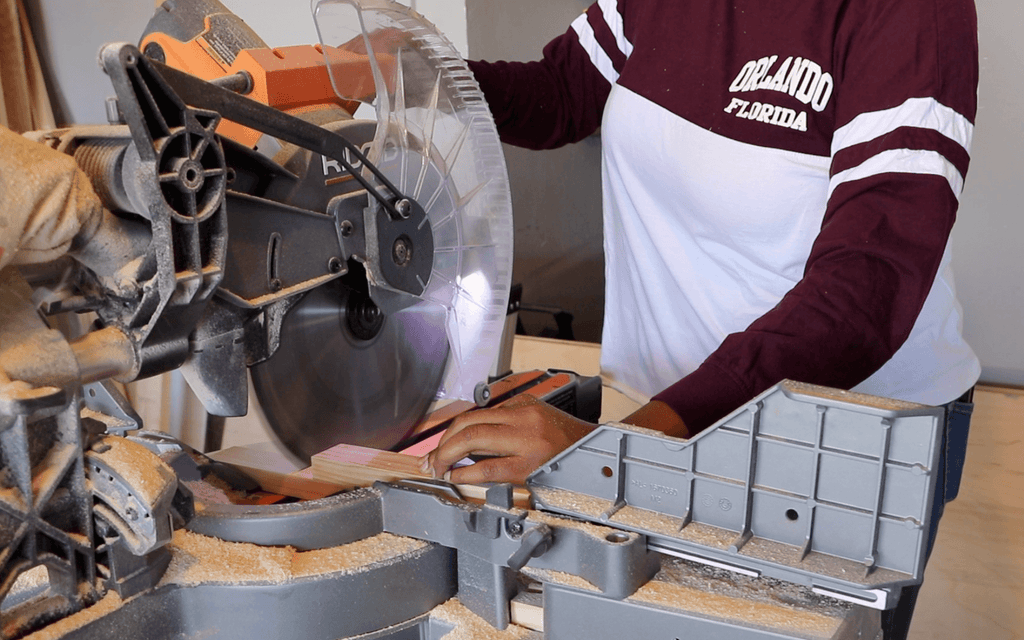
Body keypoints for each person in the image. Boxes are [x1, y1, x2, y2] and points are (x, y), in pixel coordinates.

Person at [420, 1, 980, 637]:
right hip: (666, 413)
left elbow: (868, 285)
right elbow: (564, 91)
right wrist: (411, 74)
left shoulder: (909, 14)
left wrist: (624, 450)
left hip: (840, 441)